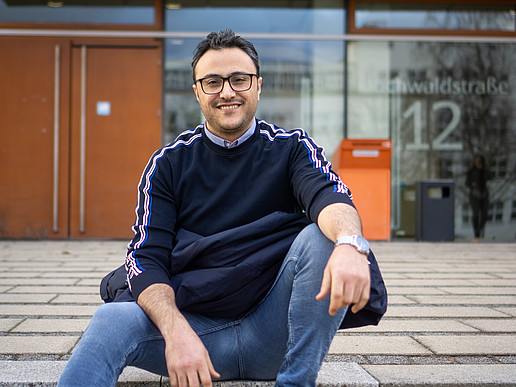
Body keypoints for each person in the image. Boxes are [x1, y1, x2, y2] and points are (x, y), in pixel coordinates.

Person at [58, 29, 386, 387]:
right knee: (109, 320)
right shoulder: (168, 164)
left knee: (324, 238)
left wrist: (351, 244)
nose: (227, 91)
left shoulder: (292, 149)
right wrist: (177, 332)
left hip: (274, 336)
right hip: (195, 335)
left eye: (239, 80)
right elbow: (145, 259)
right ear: (197, 91)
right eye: (213, 81)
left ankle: (296, 383)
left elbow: (330, 197)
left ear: (258, 86)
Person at [466, 155, 490, 242]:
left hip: (484, 195)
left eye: (480, 161)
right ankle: (476, 233)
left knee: (484, 214)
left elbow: (490, 177)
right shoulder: (471, 171)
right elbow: (467, 183)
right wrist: (472, 185)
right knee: (475, 214)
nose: (478, 163)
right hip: (474, 195)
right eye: (477, 161)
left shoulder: (484, 171)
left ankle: (479, 231)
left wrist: (483, 169)